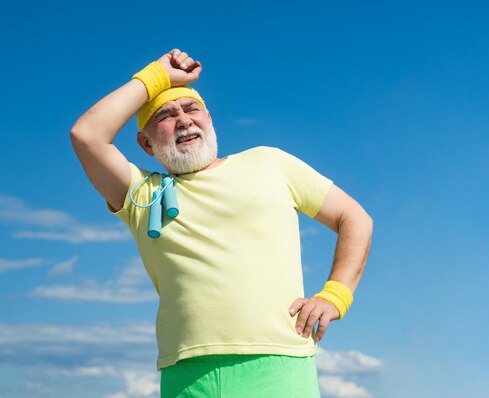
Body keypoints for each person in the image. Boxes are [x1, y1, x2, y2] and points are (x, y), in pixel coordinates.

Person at [70, 49, 373, 398]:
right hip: (187, 377)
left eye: (192, 109)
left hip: (281, 365)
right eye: (165, 116)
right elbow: (86, 135)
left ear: (210, 120)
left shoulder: (270, 162)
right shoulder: (141, 194)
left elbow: (354, 218)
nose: (183, 120)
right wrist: (158, 74)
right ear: (146, 144)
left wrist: (335, 295)